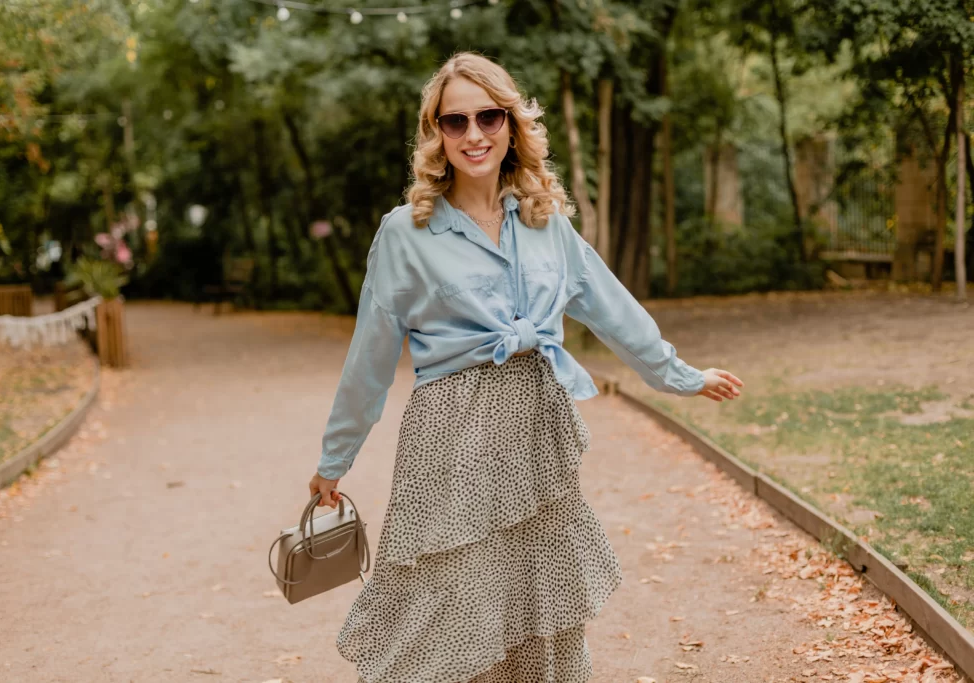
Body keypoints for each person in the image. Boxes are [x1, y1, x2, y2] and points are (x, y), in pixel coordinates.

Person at [308, 51, 744, 683]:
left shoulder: (546, 222)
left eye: (488, 116)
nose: (474, 134)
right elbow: (370, 358)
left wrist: (680, 375)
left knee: (540, 601)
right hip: (451, 438)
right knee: (457, 605)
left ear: (512, 123)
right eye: (454, 122)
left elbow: (612, 309)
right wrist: (334, 461)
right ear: (436, 134)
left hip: (536, 430)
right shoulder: (406, 233)